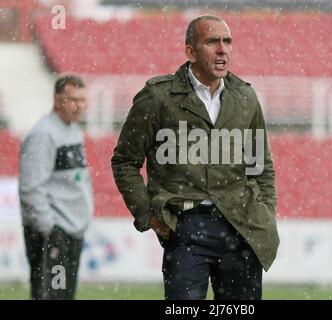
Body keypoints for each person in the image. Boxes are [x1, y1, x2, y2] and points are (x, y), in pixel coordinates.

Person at [111, 14, 279, 300]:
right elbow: (125, 162)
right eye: (212, 41)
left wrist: (266, 213)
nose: (222, 49)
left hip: (240, 225)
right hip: (185, 226)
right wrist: (149, 217)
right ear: (190, 51)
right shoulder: (158, 97)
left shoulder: (246, 98)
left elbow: (260, 167)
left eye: (227, 41)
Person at [19, 74, 94, 300]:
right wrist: (48, 228)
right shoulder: (43, 134)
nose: (79, 106)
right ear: (57, 100)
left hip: (71, 229)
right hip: (53, 232)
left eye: (82, 100)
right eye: (73, 100)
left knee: (63, 294)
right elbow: (31, 187)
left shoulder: (72, 129)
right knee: (51, 295)